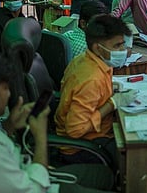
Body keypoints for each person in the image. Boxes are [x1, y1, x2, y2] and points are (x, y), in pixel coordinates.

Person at [0, 49, 116, 192]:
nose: (9, 94)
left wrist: (9, 126)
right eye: (5, 88)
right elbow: (35, 189)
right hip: (38, 184)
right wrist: (40, 137)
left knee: (106, 176)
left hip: (26, 170)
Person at [55, 14, 131, 165]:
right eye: (117, 46)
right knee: (133, 156)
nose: (123, 50)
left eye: (123, 44)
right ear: (97, 48)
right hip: (80, 148)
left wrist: (110, 89)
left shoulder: (86, 59)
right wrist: (112, 104)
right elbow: (75, 130)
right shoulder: (92, 78)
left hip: (92, 134)